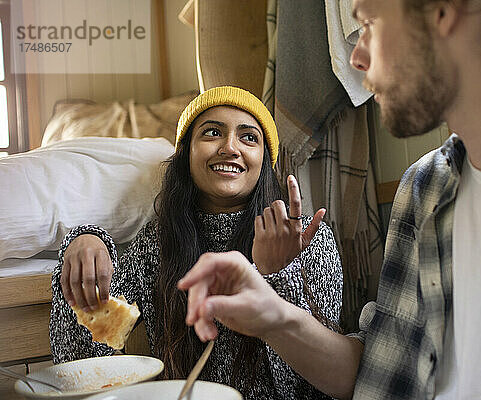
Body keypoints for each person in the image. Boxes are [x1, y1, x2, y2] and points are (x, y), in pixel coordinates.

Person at [177, 1, 481, 399]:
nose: (357, 58)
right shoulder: (425, 189)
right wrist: (275, 315)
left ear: (442, 10)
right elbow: (384, 374)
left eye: (368, 24)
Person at [49, 86, 343, 399]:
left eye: (248, 137)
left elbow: (311, 389)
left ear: (264, 161)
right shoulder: (154, 245)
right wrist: (85, 241)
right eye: (212, 132)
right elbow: (82, 365)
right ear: (187, 153)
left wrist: (275, 275)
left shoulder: (308, 239)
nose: (230, 148)